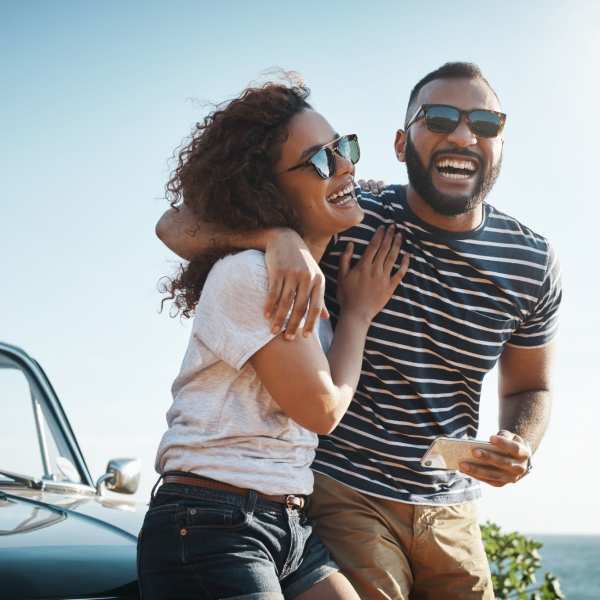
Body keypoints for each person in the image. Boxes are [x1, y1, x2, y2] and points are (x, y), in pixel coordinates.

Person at [156, 63, 562, 599]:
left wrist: (521, 444)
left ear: (501, 143)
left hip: (451, 506)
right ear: (402, 143)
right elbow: (176, 225)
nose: (463, 135)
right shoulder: (349, 212)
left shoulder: (531, 261)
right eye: (439, 118)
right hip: (343, 491)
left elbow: (531, 387)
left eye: (485, 123)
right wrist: (276, 235)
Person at [139, 79, 409, 600]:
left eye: (344, 147)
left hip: (285, 523)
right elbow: (322, 410)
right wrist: (356, 315)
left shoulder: (304, 271)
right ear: (267, 190)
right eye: (321, 161)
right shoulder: (250, 275)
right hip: (211, 525)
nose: (345, 166)